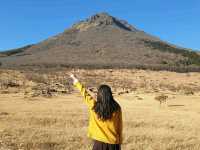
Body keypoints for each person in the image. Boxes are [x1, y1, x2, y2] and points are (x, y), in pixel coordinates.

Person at [70, 74, 123, 150]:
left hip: (99, 144)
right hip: (114, 144)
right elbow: (119, 127)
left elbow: (84, 93)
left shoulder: (94, 106)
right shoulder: (117, 108)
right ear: (110, 95)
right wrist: (119, 141)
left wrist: (75, 80)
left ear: (99, 95)